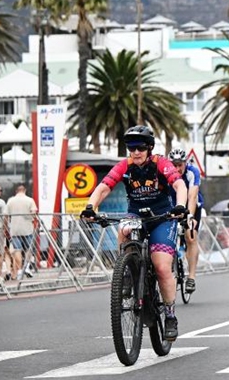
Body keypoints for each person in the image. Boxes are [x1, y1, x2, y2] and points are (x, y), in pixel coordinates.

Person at [80, 125, 188, 342]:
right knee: (124, 228)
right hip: (136, 215)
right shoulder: (124, 165)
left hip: (162, 217)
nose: (135, 152)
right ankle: (127, 273)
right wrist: (91, 207)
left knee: (161, 266)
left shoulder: (161, 164)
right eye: (131, 147)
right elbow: (103, 187)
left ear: (149, 148)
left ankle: (170, 316)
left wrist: (180, 206)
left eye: (139, 147)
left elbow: (179, 185)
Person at [168, 148, 204, 295]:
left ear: (185, 163)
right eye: (174, 165)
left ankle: (191, 277)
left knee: (190, 235)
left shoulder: (192, 172)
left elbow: (192, 195)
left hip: (191, 206)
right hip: (172, 206)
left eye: (180, 165)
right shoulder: (165, 173)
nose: (177, 168)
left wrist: (189, 217)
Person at [6, 184, 39, 280]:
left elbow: (6, 215)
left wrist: (6, 227)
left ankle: (20, 270)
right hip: (27, 228)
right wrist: (31, 218)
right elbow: (34, 212)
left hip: (15, 229)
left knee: (17, 250)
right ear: (24, 191)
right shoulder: (30, 200)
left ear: (16, 191)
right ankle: (27, 267)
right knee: (28, 249)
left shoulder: (10, 200)